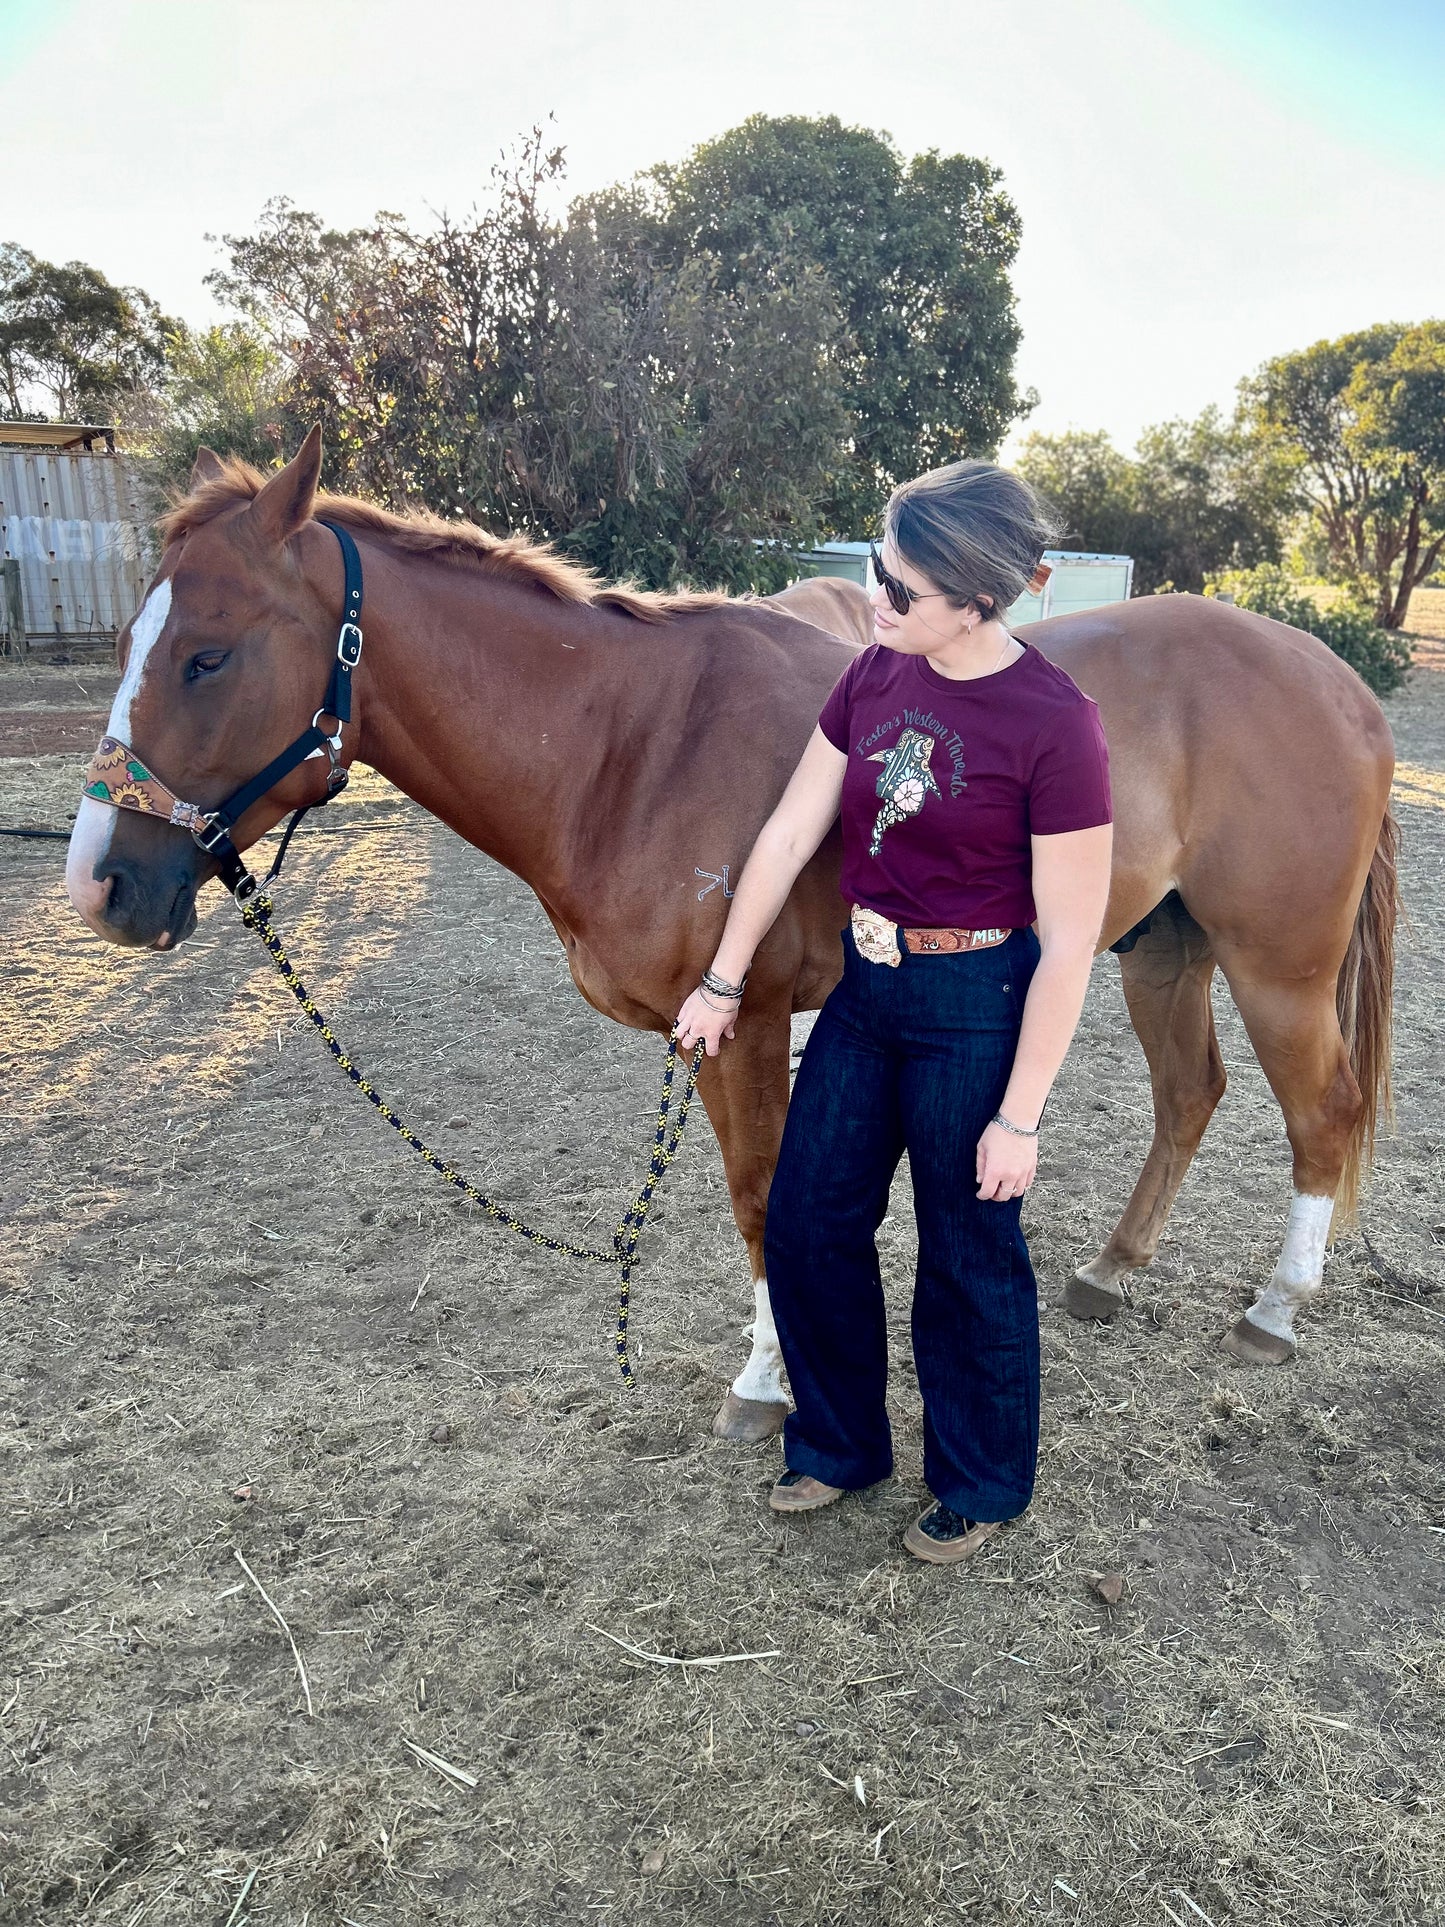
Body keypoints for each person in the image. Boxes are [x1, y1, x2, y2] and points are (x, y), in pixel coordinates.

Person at [676, 460, 1113, 1565]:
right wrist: (721, 980)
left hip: (975, 1004)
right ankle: (838, 1444)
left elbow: (1069, 941)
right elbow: (788, 832)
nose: (876, 596)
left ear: (977, 600)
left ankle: (977, 1481)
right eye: (877, 567)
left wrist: (1019, 1116)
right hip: (864, 991)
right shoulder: (873, 674)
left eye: (902, 588)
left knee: (966, 1251)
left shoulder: (1055, 723)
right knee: (807, 1218)